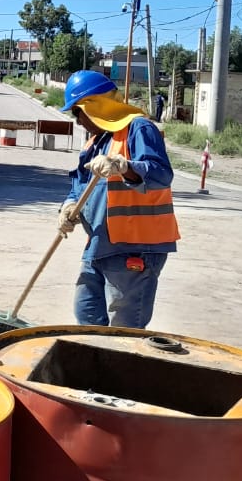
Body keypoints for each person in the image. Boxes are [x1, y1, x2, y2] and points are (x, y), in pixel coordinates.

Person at [57, 70, 178, 328]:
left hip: (135, 248)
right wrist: (68, 206)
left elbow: (161, 175)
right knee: (87, 317)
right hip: (99, 246)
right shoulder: (96, 141)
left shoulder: (139, 128)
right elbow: (80, 185)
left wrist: (124, 166)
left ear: (94, 106)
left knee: (123, 330)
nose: (78, 122)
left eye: (77, 112)